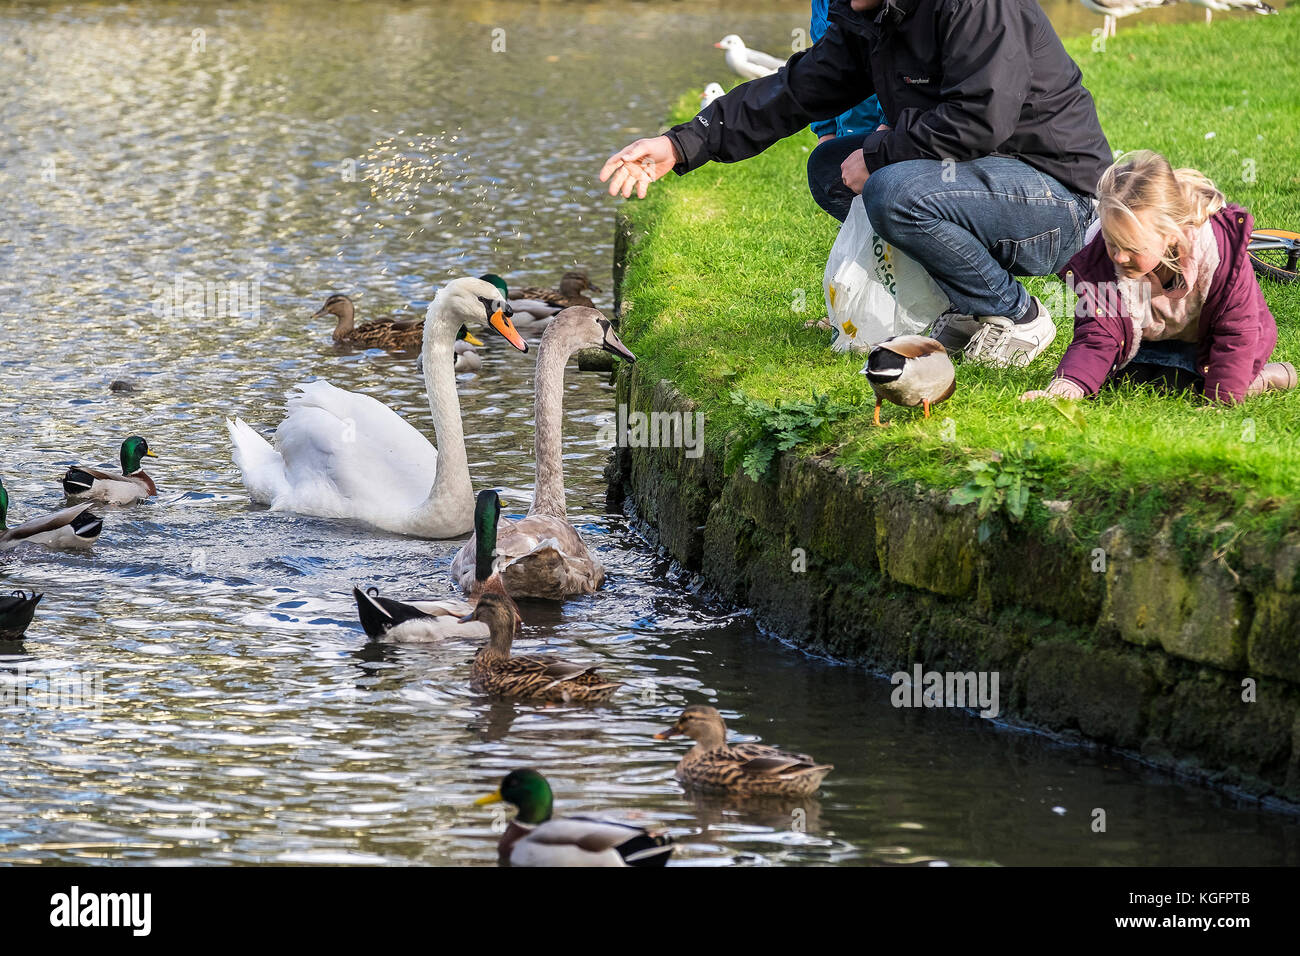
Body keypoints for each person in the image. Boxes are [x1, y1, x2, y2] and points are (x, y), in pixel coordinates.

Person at [599, 0, 1111, 368]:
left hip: (1056, 200)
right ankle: (968, 305)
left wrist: (882, 152)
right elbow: (794, 90)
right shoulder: (876, 16)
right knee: (830, 168)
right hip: (981, 185)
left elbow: (980, 119)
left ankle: (1018, 318)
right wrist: (683, 143)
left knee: (891, 190)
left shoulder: (976, 7)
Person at [1021, 150, 1294, 405]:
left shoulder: (1218, 256)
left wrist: (1220, 403)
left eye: (1132, 248)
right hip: (1155, 342)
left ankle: (1264, 378)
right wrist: (1066, 387)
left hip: (1214, 347)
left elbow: (1237, 332)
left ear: (1171, 235)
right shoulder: (1104, 261)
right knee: (1120, 378)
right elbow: (1097, 334)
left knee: (1205, 382)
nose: (1119, 257)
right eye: (1112, 242)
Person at [806, 0, 887, 221]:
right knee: (824, 168)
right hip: (846, 126)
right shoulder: (820, 4)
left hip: (886, 128)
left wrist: (885, 131)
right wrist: (826, 132)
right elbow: (819, 68)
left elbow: (900, 67)